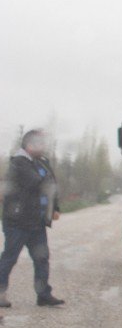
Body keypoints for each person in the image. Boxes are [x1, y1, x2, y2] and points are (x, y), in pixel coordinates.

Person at [0, 129, 64, 307]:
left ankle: (43, 295)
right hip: (17, 222)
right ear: (29, 145)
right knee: (10, 258)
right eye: (39, 143)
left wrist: (55, 207)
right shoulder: (19, 162)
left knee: (41, 259)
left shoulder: (41, 162)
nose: (43, 147)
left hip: (36, 221)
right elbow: (36, 182)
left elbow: (52, 186)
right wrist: (47, 181)